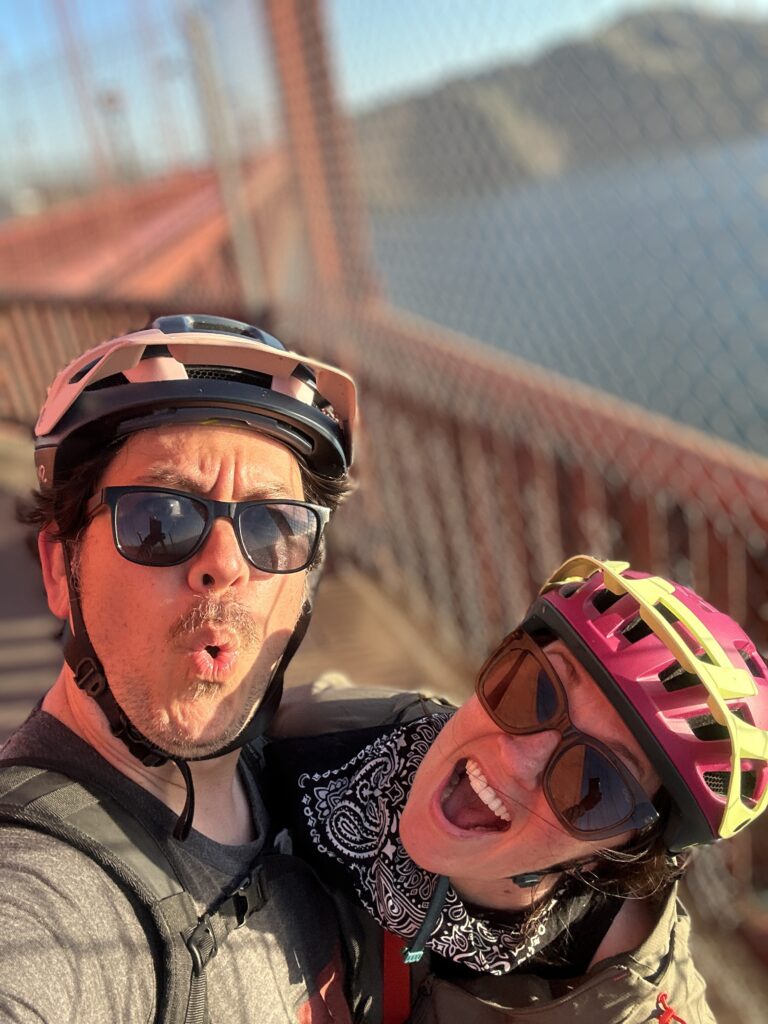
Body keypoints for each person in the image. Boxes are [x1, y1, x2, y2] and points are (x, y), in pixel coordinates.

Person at [0, 313, 364, 1023]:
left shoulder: (323, 783)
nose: (225, 566)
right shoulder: (38, 888)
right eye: (160, 518)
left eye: (273, 525)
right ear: (58, 567)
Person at [267, 554, 768, 1023]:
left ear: (618, 853)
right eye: (534, 686)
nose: (517, 757)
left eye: (593, 781)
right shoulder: (330, 740)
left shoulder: (627, 1007)